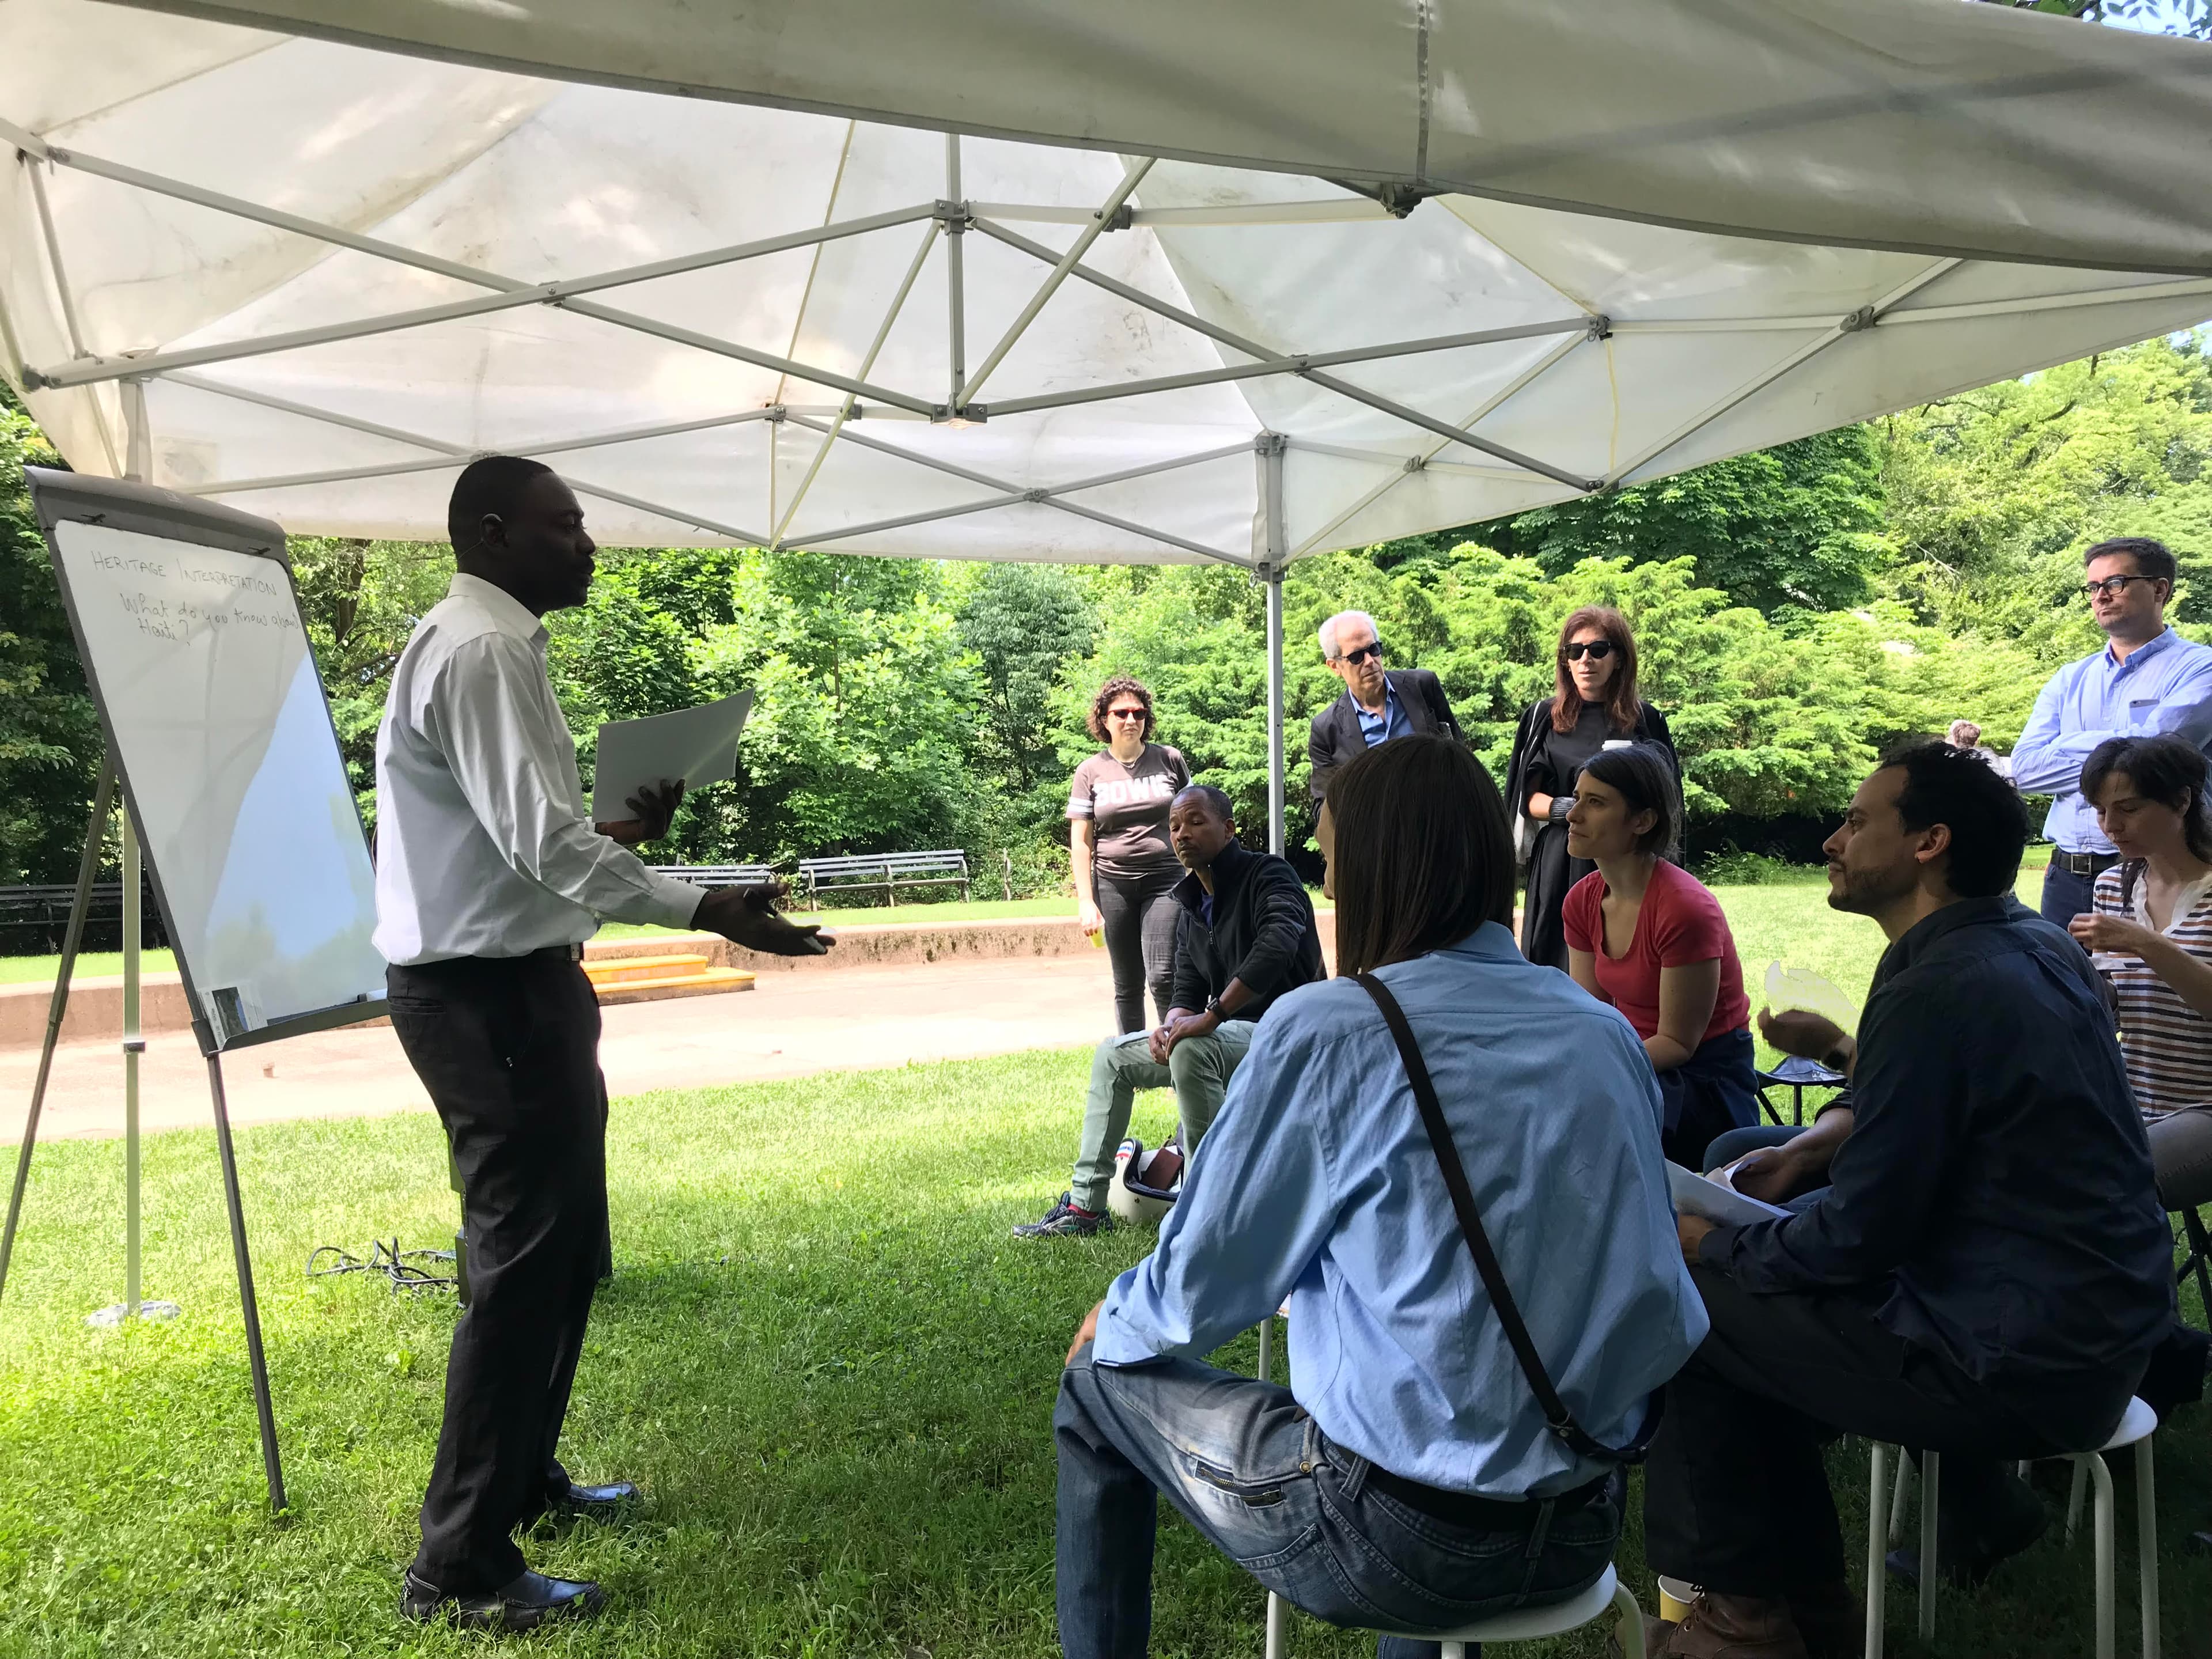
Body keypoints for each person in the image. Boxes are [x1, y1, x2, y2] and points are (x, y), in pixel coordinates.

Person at [1051, 736, 1703, 1659]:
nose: (1327, 884)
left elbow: (1201, 1287)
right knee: (1426, 1432)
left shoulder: (1331, 1028)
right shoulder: (1600, 1033)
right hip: (1585, 1522)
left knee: (1095, 1382)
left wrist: (1112, 1320)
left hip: (1394, 1540)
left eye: (1331, 860)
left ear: (1374, 869)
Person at [377, 456, 830, 1631]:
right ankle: (458, 1565)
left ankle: (526, 1480)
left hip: (521, 986)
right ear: (492, 532)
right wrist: (707, 905)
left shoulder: (495, 642)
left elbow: (519, 834)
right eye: (563, 524)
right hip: (488, 1001)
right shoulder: (479, 650)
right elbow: (536, 845)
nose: (587, 543)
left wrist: (624, 832)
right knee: (521, 1266)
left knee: (564, 1250)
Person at [1644, 743, 2173, 1659]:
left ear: (1930, 842)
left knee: (1687, 1308)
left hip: (2012, 1363)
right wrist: (1820, 1141)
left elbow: (1861, 1237)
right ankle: (1808, 1608)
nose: (1829, 841)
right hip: (2100, 1333)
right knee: (1752, 1246)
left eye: (1856, 821)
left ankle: (1746, 1624)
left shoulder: (1936, 981)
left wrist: (1708, 1246)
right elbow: (1957, 1116)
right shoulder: (2032, 943)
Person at [1015, 785, 1323, 1238]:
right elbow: (1186, 987)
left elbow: (1277, 946)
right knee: (1115, 1056)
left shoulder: (1270, 875)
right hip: (1229, 1036)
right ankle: (1085, 1208)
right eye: (1175, 826)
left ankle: (1212, 1206)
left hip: (1289, 1033)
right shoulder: (1190, 902)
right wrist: (1170, 1027)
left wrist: (1211, 1017)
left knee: (1193, 1050)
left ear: (1229, 829)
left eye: (1196, 822)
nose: (1182, 834)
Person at [1562, 744, 1756, 1169]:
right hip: (1633, 1057)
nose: (1572, 815)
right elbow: (1591, 1013)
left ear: (1643, 821)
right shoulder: (1581, 901)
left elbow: (1678, 1043)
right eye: (1577, 799)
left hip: (1703, 1081)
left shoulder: (1683, 908)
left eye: (1595, 803)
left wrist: (1596, 1071)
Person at [2008, 537, 2212, 927]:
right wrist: (2126, 745)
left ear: (2159, 589)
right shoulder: (2070, 678)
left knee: (2151, 986)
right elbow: (2028, 768)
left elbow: (2155, 754)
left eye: (2115, 583)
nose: (2101, 595)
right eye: (2093, 587)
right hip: (2065, 877)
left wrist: (2065, 747)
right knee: (2061, 988)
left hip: (2158, 873)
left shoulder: (2201, 669)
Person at [2067, 736, 2212, 1209]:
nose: (2111, 826)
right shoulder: (2113, 886)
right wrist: (2082, 983)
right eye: (2100, 810)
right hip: (2133, 1096)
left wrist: (2144, 942)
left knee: (2105, 1187)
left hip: (2205, 1109)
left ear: (2182, 800)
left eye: (2127, 808)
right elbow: (2115, 1011)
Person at [1504, 605, 1680, 970]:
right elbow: (1525, 799)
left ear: (1618, 659)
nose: (1586, 659)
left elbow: (1669, 803)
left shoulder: (1645, 720)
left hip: (1627, 860)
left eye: (1598, 649)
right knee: (1555, 963)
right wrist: (1574, 809)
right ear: (1565, 661)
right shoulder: (1544, 718)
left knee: (1626, 959)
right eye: (1574, 651)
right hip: (1561, 857)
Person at [1067, 676, 1193, 1035]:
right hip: (1113, 884)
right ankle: (1131, 1059)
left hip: (1167, 880)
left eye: (1138, 713)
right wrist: (1085, 901)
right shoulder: (1090, 771)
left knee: (1163, 975)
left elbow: (1195, 815)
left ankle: (1176, 1060)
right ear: (1104, 719)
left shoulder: (1170, 760)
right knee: (1127, 984)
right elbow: (1082, 841)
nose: (1130, 720)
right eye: (1121, 713)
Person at [1305, 609, 1464, 804]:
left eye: (1374, 649)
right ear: (1335, 666)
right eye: (1356, 657)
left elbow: (1460, 755)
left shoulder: (1423, 687)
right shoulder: (1326, 729)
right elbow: (1323, 806)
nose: (1370, 662)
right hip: (1376, 833)